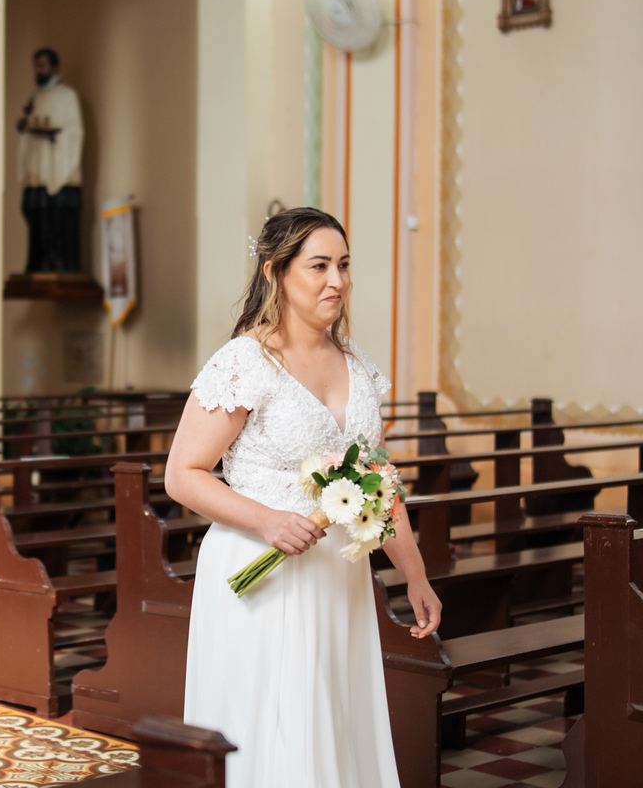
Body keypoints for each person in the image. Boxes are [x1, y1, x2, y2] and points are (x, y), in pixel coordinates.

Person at [164, 208, 442, 787]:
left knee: (333, 720)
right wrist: (268, 521)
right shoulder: (246, 362)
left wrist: (414, 575)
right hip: (260, 572)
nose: (335, 280)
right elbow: (183, 474)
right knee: (269, 722)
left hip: (336, 577)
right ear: (277, 273)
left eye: (343, 265)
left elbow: (380, 479)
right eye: (318, 266)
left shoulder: (359, 366)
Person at [16, 48, 84, 273]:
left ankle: (62, 264)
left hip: (58, 171)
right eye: (36, 66)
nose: (38, 70)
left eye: (42, 65)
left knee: (60, 221)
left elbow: (74, 132)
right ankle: (39, 264)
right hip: (39, 171)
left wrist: (53, 135)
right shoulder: (35, 98)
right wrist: (24, 129)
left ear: (54, 67)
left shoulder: (67, 96)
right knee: (35, 214)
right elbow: (28, 130)